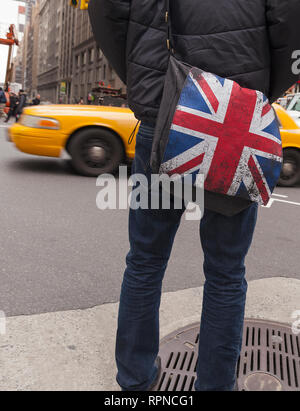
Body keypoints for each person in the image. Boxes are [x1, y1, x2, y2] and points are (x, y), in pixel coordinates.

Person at [89, 0, 300, 391]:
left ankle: (135, 380)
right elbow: (290, 22)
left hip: (163, 114)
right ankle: (215, 384)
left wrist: (148, 81)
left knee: (145, 261)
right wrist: (258, 91)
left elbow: (106, 14)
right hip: (236, 120)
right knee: (226, 271)